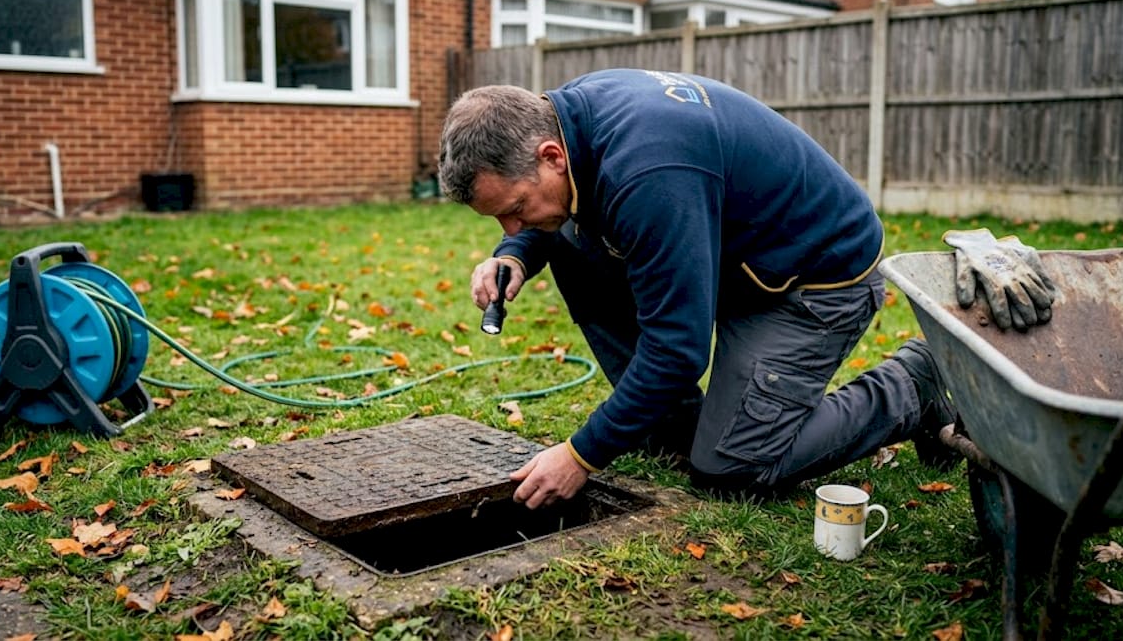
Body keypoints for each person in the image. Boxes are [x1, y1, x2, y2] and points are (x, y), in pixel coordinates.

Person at [437, 69, 1056, 509]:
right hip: (738, 259)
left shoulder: (650, 172)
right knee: (566, 242)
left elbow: (678, 348)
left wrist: (579, 455)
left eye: (515, 209)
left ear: (550, 155)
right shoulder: (570, 124)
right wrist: (516, 253)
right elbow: (554, 221)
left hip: (813, 280)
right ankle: (673, 420)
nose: (511, 225)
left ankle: (913, 386)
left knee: (734, 468)